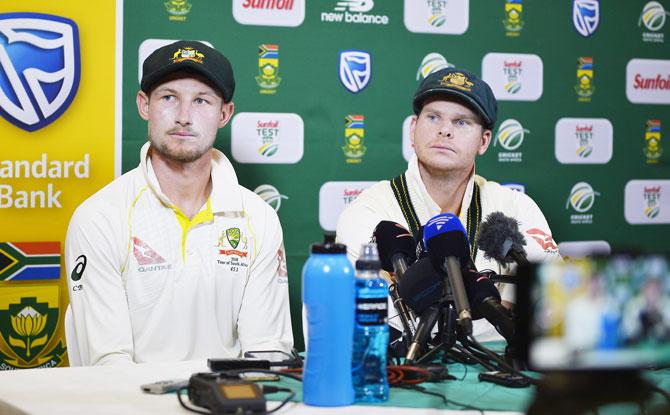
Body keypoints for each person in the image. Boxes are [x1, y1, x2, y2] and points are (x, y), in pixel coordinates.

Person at [65, 40, 293, 365]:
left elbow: (266, 355)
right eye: (169, 98)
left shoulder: (259, 218)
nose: (184, 117)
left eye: (201, 100)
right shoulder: (99, 217)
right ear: (144, 105)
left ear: (224, 113)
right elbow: (108, 367)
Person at [336, 67, 561, 340]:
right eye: (433, 118)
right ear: (413, 128)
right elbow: (369, 327)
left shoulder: (515, 208)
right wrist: (502, 309)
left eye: (462, 122)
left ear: (484, 141)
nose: (445, 131)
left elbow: (551, 308)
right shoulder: (369, 212)